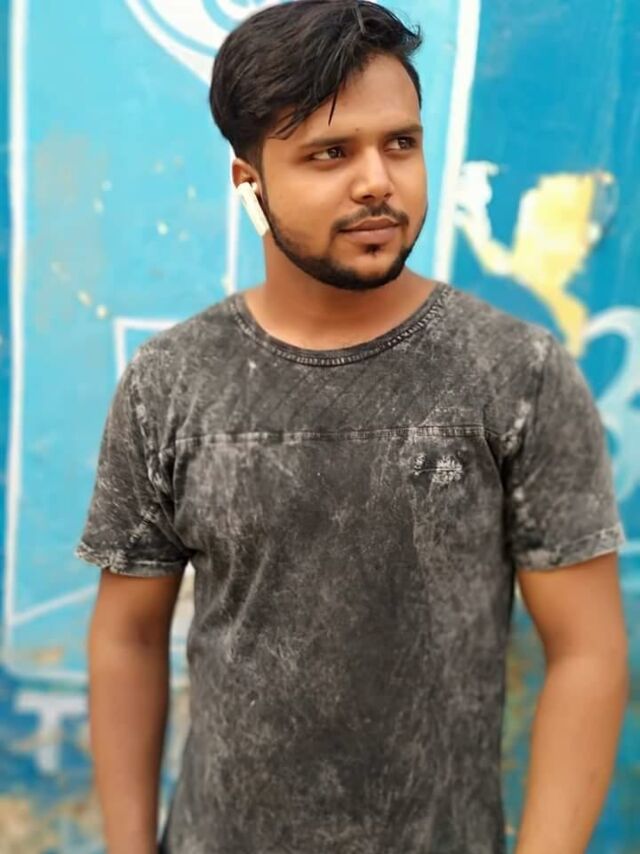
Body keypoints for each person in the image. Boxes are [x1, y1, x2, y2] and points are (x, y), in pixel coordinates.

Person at [76, 2, 629, 852]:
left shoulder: (517, 374)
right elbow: (129, 635)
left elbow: (587, 652)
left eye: (399, 144)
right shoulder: (171, 383)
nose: (377, 181)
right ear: (249, 182)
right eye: (329, 153)